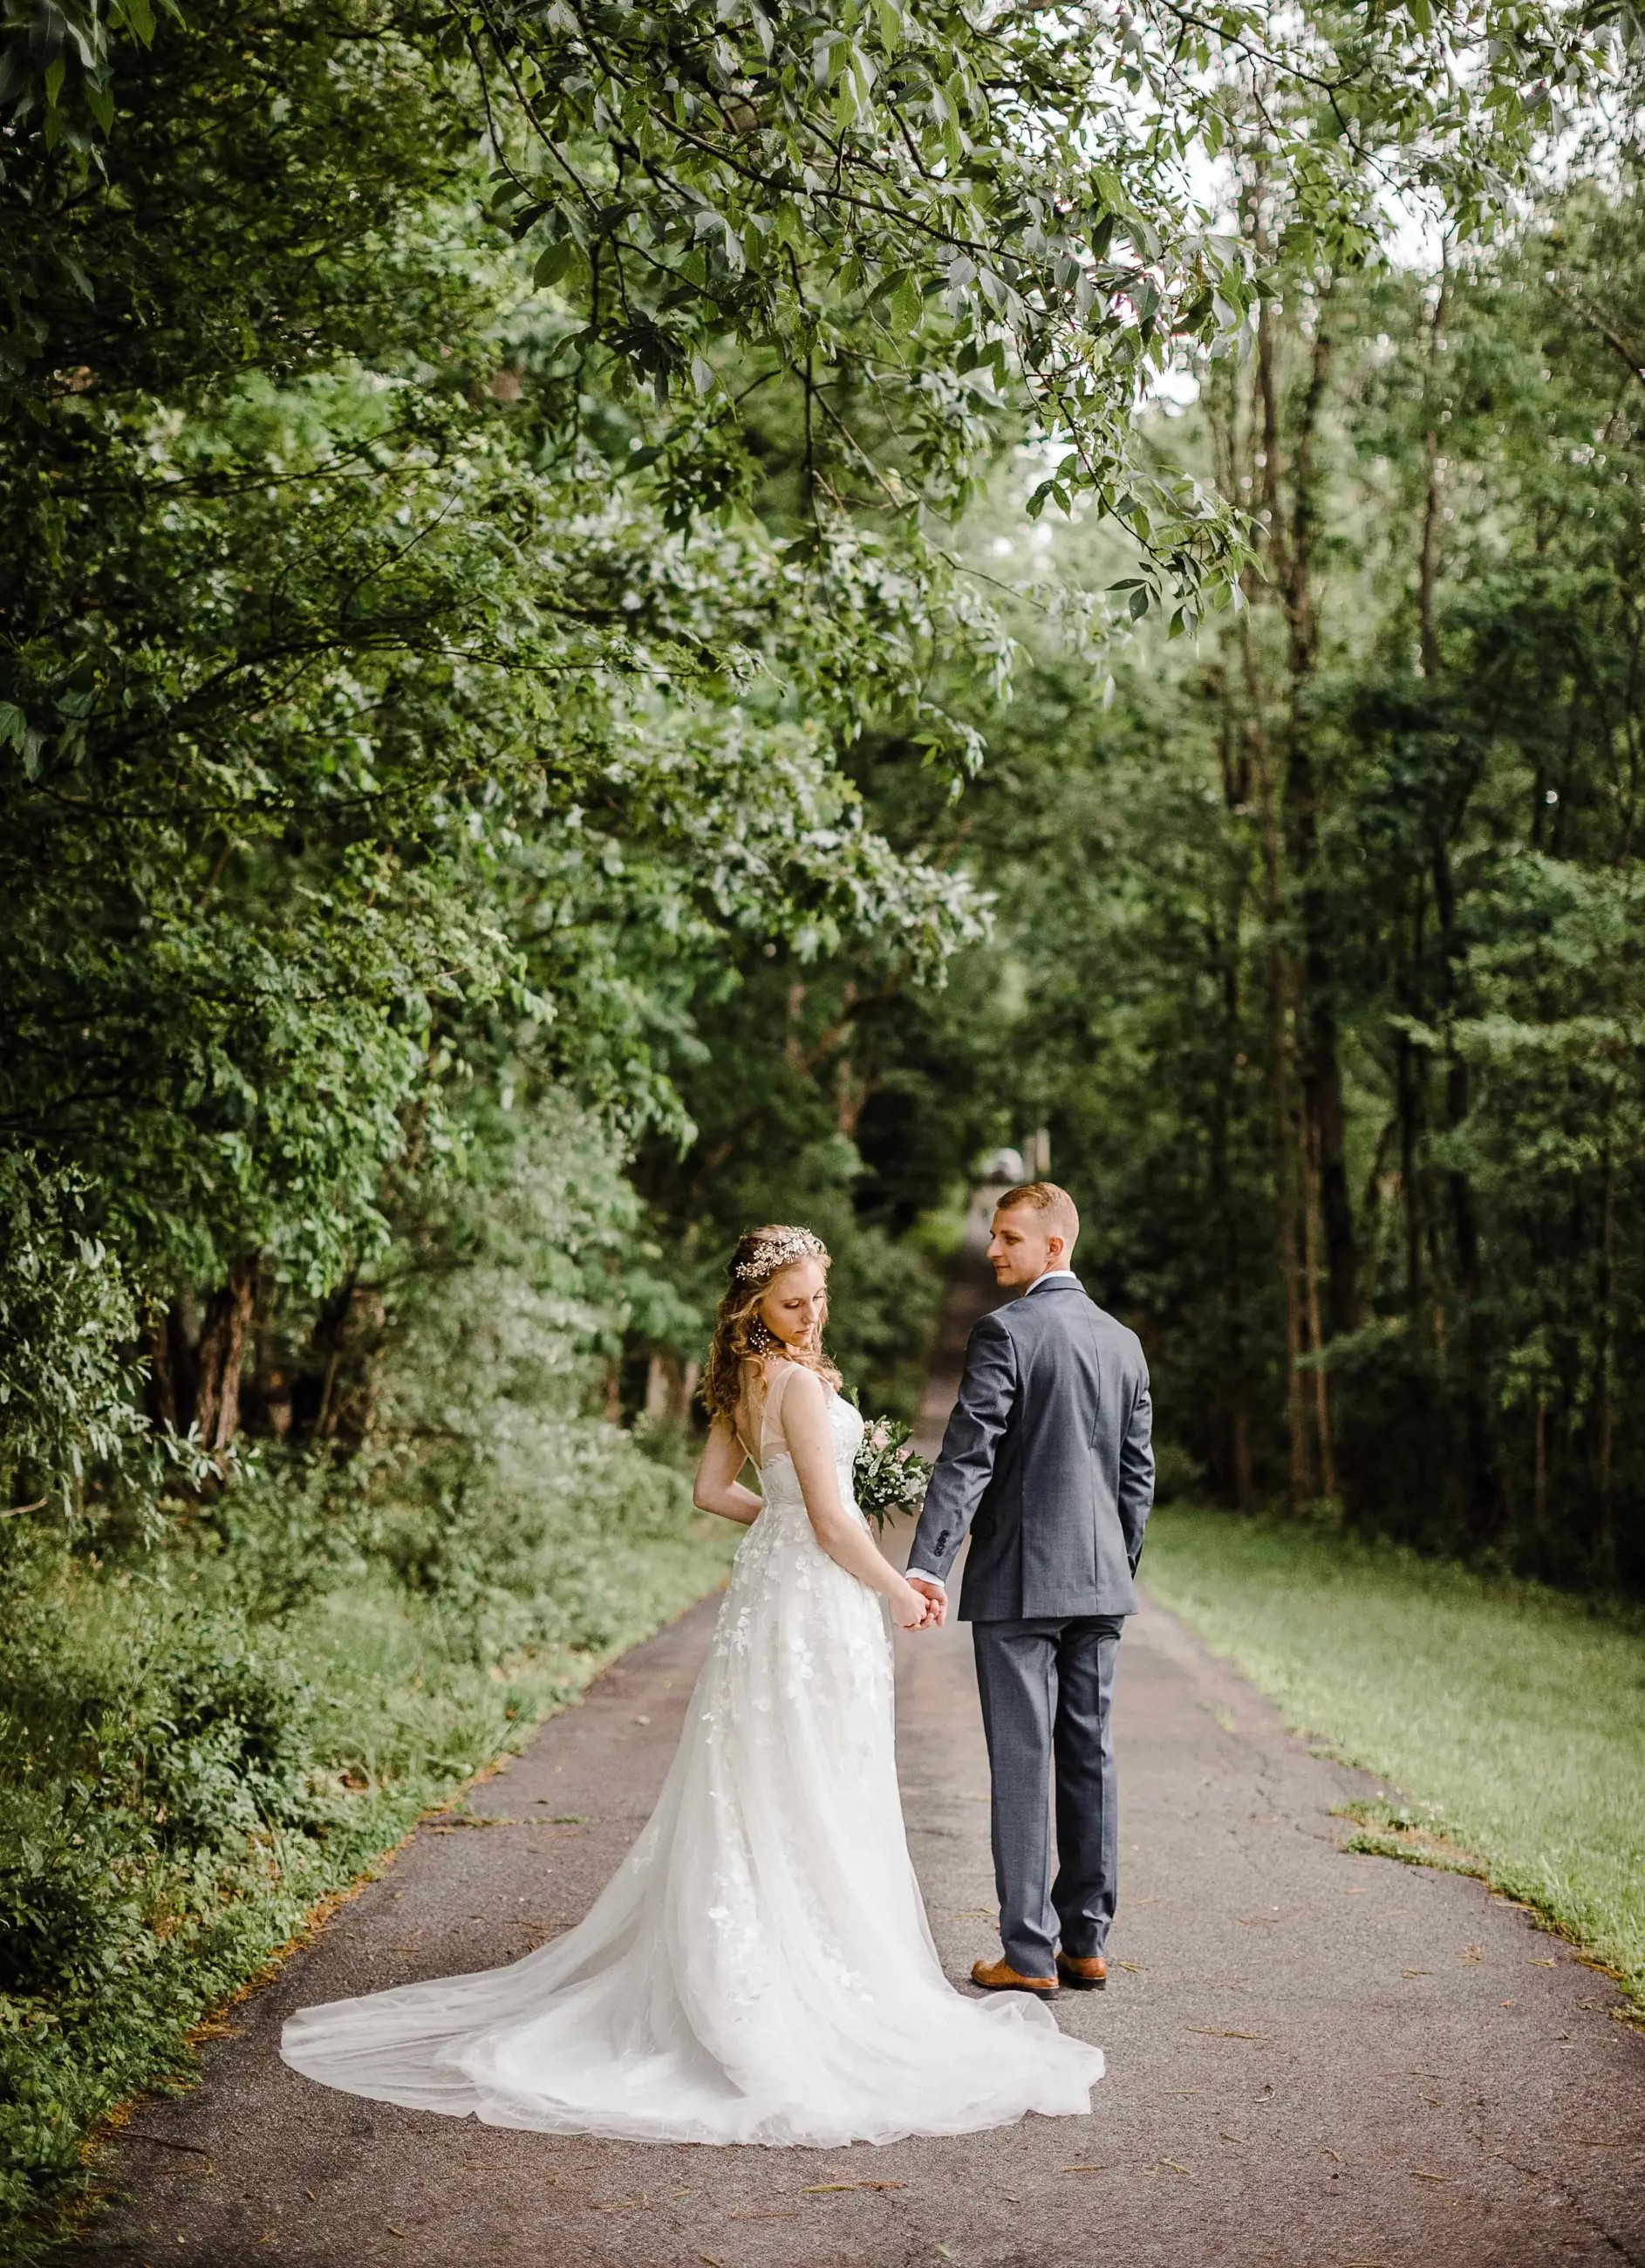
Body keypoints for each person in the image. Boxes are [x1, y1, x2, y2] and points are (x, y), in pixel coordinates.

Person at [280, 1223, 1103, 2144]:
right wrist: (895, 1582)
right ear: (754, 1303)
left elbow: (715, 1491)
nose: (810, 1314)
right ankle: (791, 1981)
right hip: (813, 1603)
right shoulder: (790, 1381)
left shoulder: (748, 1382)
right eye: (793, 1302)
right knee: (811, 1776)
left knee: (769, 1774)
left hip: (776, 1592)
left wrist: (785, 1521)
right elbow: (832, 1519)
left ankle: (758, 1950)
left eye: (818, 1298)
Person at [906, 1181, 1154, 1999]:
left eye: (1009, 1236)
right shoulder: (1123, 1342)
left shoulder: (1005, 1333)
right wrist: (1118, 1565)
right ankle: (1087, 1944)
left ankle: (1030, 1954)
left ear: (1054, 1246)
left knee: (1021, 1760)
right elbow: (1136, 1477)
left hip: (1018, 1584)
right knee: (1090, 1755)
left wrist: (927, 1564)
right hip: (1100, 1584)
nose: (992, 1250)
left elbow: (968, 1456)